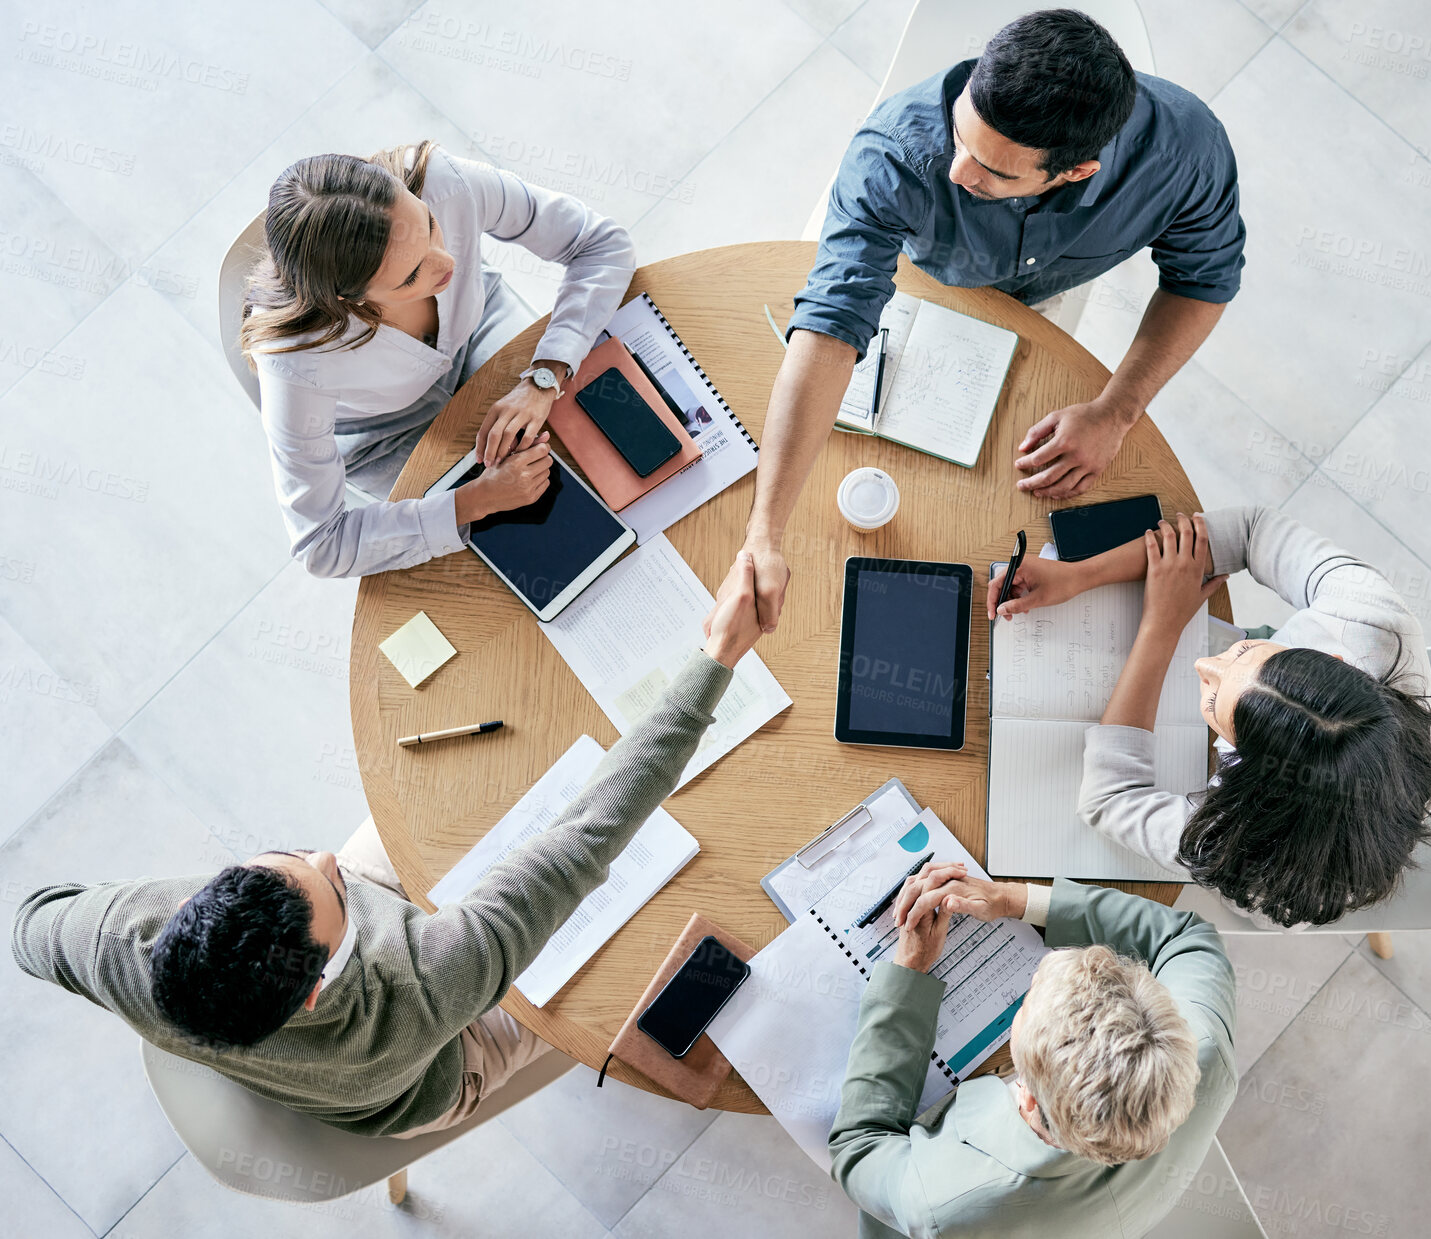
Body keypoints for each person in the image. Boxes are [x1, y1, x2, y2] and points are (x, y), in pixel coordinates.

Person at [10, 555, 763, 1137]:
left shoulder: (118, 941)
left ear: (189, 907)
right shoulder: (428, 982)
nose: (328, 858)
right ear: (313, 990)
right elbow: (587, 838)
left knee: (469, 793)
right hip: (436, 1073)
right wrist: (718, 660)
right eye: (332, 888)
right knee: (603, 969)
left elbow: (28, 928)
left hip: (312, 1022)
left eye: (294, 855)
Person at [722, 9, 1245, 632]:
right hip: (910, 269)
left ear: (1077, 172)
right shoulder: (898, 154)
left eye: (994, 170)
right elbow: (834, 322)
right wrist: (763, 536)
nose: (956, 172)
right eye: (961, 135)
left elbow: (1203, 282)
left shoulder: (1187, 154)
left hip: (1040, 297)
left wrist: (1116, 411)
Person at [989, 508, 1431, 927]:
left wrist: (1162, 626)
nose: (1204, 666)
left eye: (1213, 703)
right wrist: (1080, 574)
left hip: (1294, 883)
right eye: (1248, 653)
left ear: (1251, 775)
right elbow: (1252, 531)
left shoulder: (1247, 853)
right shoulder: (1370, 618)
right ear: (1337, 662)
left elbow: (1108, 800)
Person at [242, 139, 635, 579]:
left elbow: (601, 244)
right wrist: (474, 500)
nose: (446, 262)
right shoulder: (295, 359)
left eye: (428, 225)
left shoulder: (442, 181)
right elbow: (322, 545)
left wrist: (546, 374)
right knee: (533, 548)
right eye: (410, 275)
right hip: (385, 433)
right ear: (346, 300)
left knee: (608, 441)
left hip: (478, 330)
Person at [829, 861, 1236, 1238]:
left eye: (1028, 1001)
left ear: (1025, 1097)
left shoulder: (942, 1206)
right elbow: (1188, 937)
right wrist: (1014, 899)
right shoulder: (1206, 1050)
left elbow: (859, 1147)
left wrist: (909, 972)